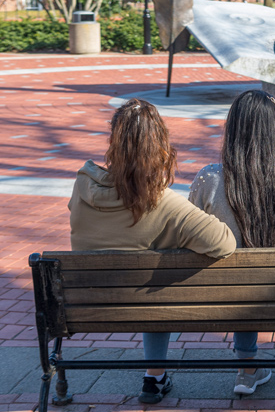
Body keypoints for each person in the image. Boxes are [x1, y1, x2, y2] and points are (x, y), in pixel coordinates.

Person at [68, 99, 236, 404]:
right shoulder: (164, 203)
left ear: (113, 141)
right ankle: (154, 374)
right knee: (156, 292)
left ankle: (155, 375)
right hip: (146, 306)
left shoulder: (82, 186)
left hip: (87, 307)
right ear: (160, 144)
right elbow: (224, 243)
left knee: (151, 290)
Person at [189, 90, 275, 395]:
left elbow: (192, 226)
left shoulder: (210, 179)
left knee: (239, 276)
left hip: (221, 295)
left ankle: (247, 368)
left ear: (232, 128)